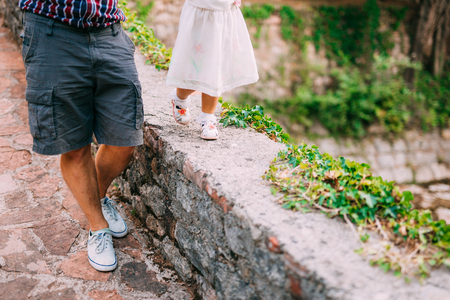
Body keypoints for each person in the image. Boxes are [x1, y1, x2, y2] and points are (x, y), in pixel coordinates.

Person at [19, 0, 143, 271]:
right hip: (53, 31)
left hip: (108, 30)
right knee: (73, 145)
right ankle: (98, 227)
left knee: (124, 139)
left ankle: (96, 198)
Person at [166, 0, 259, 140]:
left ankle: (207, 117)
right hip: (199, 13)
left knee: (216, 67)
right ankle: (180, 97)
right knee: (194, 67)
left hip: (224, 14)